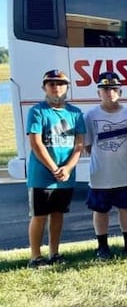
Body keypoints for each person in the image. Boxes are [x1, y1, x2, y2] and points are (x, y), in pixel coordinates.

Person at [25, 69, 86, 268]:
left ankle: (54, 253)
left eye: (60, 84)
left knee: (58, 214)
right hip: (42, 176)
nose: (56, 87)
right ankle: (35, 257)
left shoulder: (75, 113)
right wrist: (53, 168)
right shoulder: (37, 111)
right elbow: (36, 143)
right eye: (51, 84)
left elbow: (79, 144)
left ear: (67, 87)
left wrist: (67, 168)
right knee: (39, 216)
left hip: (65, 175)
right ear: (44, 87)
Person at [84, 72, 127, 260]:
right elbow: (87, 145)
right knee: (100, 211)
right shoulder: (91, 116)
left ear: (120, 92)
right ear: (98, 92)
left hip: (124, 173)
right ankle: (102, 247)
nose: (110, 92)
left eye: (114, 89)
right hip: (100, 175)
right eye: (105, 89)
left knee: (126, 209)